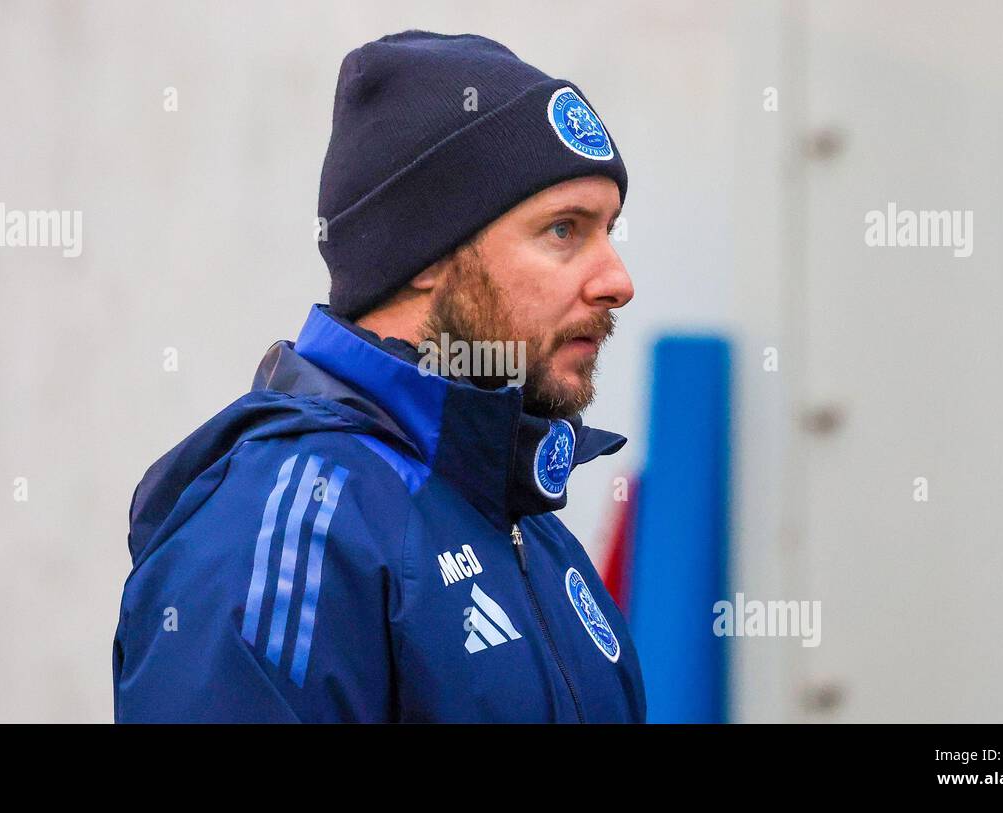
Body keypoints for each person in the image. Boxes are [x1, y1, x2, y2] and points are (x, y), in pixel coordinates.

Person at [113, 30, 644, 722]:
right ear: (426, 256)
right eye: (564, 231)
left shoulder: (524, 521)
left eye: (610, 229)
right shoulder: (287, 532)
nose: (617, 280)